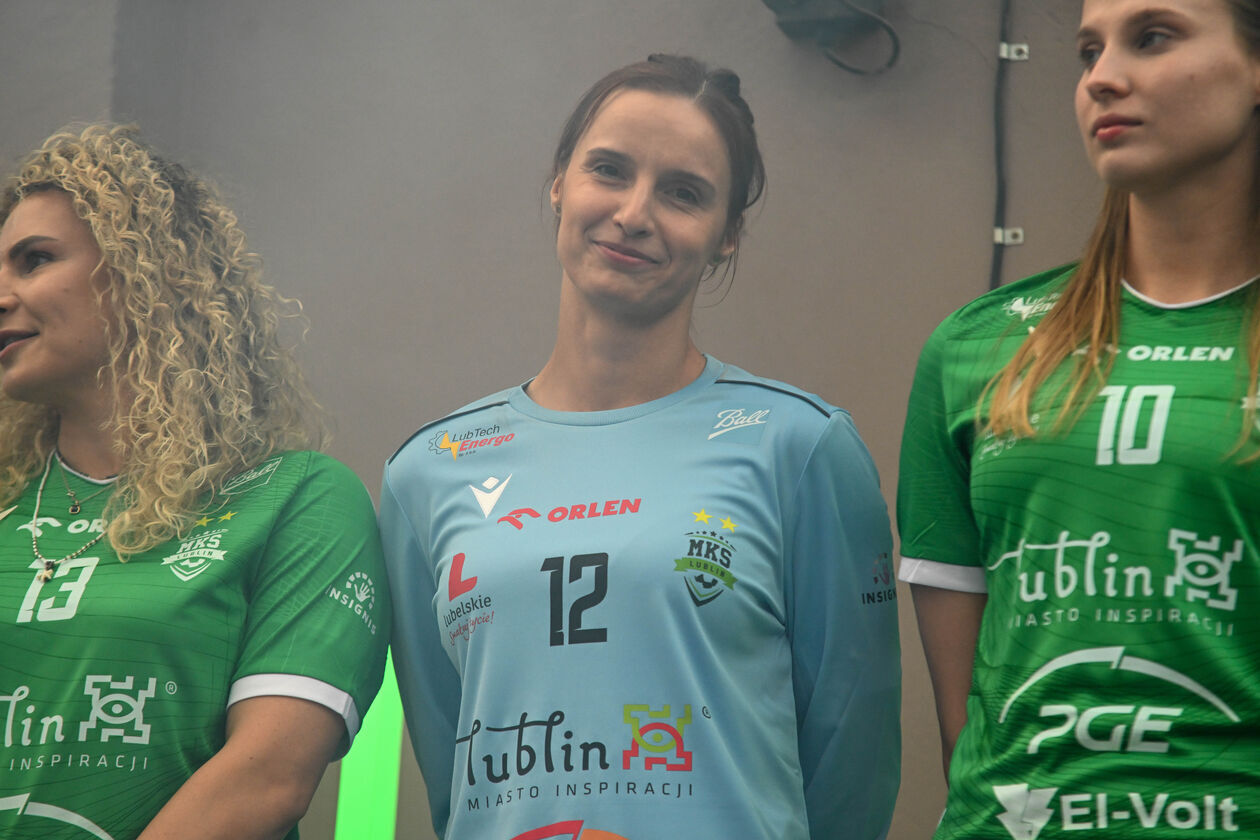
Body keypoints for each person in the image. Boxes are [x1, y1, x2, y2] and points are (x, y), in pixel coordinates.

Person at [381, 54, 900, 840]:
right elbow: (452, 775)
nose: (633, 213)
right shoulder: (427, 472)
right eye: (609, 170)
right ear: (559, 183)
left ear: (728, 236)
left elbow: (852, 770)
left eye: (683, 193)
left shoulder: (800, 447)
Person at [900, 1, 1260, 837]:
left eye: (1153, 37)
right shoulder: (974, 347)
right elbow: (971, 730)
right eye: (1089, 51)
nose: (1102, 77)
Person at [0, 124, 390, 840]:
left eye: (35, 260)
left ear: (144, 272)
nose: (2, 293)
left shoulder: (294, 498)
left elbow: (268, 779)